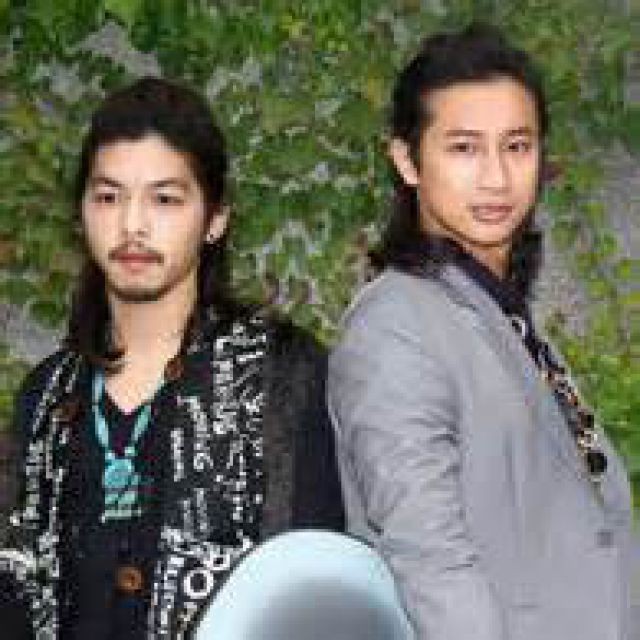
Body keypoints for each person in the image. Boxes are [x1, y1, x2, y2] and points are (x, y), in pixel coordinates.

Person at [2, 77, 344, 639]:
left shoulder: (278, 375)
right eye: (108, 197)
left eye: (165, 199)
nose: (132, 225)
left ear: (215, 218)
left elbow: (308, 592)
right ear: (81, 213)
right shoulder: (46, 397)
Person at [328, 23, 632, 640]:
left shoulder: (496, 311)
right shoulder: (395, 326)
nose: (496, 177)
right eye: (464, 148)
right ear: (407, 161)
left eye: (516, 146)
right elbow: (432, 562)